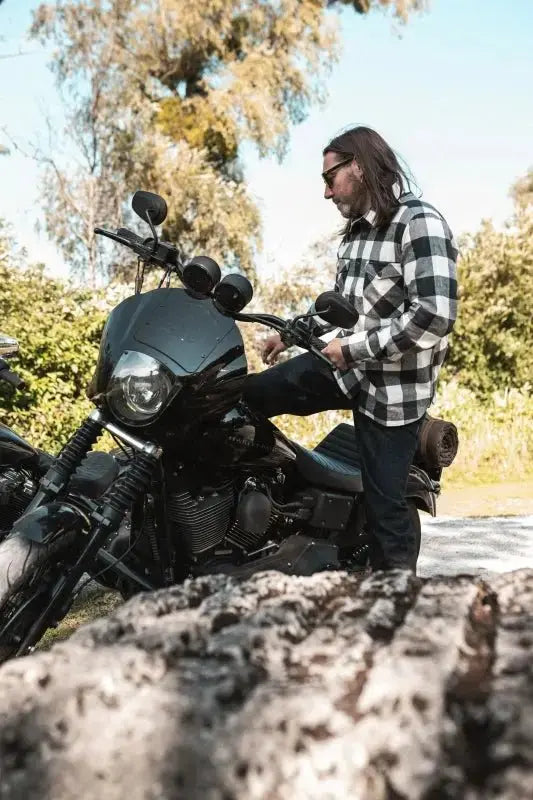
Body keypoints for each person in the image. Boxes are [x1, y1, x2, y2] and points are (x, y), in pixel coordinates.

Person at [243, 125, 458, 571]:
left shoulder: (419, 223)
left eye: (329, 178)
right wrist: (290, 330)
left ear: (358, 167)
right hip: (343, 368)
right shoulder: (356, 234)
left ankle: (395, 604)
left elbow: (435, 315)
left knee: (387, 508)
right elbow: (344, 306)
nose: (326, 193)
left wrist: (354, 349)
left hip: (393, 394)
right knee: (247, 397)